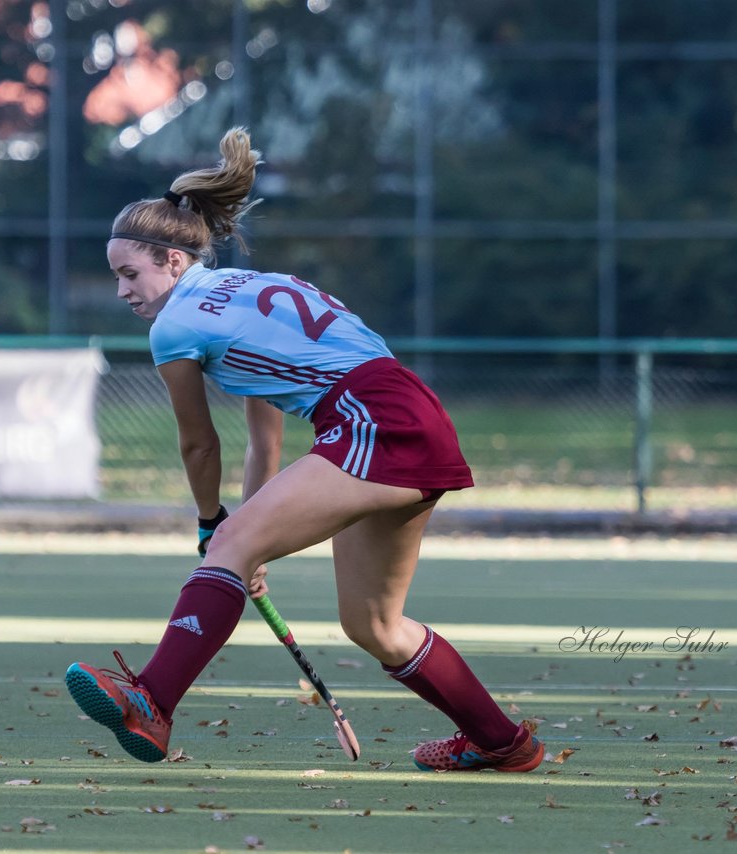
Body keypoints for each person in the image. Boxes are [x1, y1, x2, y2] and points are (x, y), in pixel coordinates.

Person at [64, 127, 543, 773]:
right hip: (407, 409)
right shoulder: (250, 290)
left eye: (130, 274)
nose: (123, 291)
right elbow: (266, 440)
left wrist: (217, 526)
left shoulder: (178, 324)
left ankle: (151, 700)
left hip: (367, 416)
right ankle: (503, 742)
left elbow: (198, 443)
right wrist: (250, 537)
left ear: (173, 262)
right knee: (375, 625)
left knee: (235, 548)